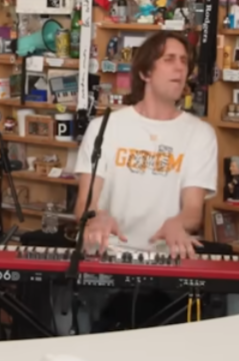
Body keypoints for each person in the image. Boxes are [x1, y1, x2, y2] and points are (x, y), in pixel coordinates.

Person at [68, 32, 219, 333]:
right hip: (107, 266)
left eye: (185, 62)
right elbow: (85, 205)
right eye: (169, 60)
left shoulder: (199, 134)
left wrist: (179, 224)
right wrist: (96, 217)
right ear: (144, 72)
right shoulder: (105, 126)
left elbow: (192, 211)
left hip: (167, 271)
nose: (180, 68)